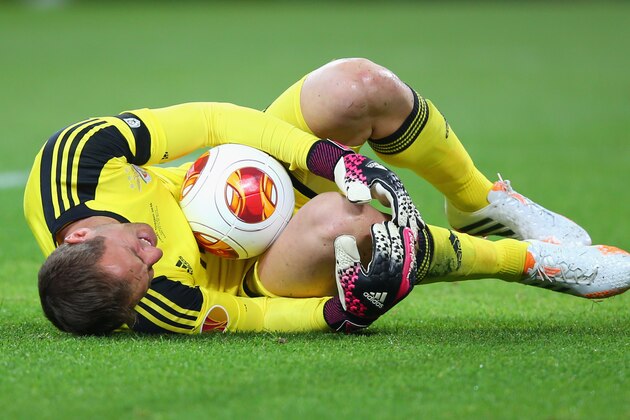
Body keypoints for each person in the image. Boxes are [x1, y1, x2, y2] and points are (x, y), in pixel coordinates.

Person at [24, 58, 629, 336]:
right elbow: (252, 315)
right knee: (348, 222)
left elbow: (210, 122)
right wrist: (331, 315)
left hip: (243, 182)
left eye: (137, 252)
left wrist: (320, 155)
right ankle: (531, 263)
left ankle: (479, 201)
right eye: (145, 274)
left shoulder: (75, 161)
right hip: (262, 270)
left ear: (78, 235)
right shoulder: (152, 301)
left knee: (354, 87)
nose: (152, 260)